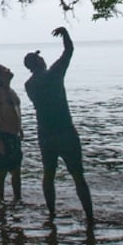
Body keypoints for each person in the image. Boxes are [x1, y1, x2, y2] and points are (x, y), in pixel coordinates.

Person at [23, 26, 95, 227]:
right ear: (39, 62)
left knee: (49, 173)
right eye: (40, 58)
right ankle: (90, 216)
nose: (43, 59)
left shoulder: (29, 85)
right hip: (65, 132)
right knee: (78, 175)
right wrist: (65, 34)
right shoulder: (53, 75)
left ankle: (52, 213)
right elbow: (69, 51)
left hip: (45, 134)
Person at [0, 64, 23, 202]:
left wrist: (20, 129)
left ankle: (17, 199)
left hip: (14, 135)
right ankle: (0, 200)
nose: (9, 70)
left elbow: (16, 111)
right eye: (5, 70)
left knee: (16, 170)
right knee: (2, 170)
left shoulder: (11, 91)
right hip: (4, 135)